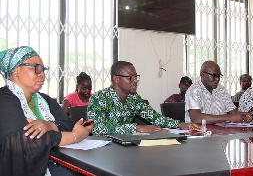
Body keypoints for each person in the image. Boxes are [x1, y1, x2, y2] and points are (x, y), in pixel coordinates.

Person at [0, 46, 94, 176]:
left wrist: (50, 125)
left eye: (43, 69)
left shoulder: (46, 100)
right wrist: (74, 136)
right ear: (16, 71)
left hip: (53, 164)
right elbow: (27, 141)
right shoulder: (4, 100)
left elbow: (69, 124)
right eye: (36, 68)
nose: (42, 74)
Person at [87, 61, 201, 135]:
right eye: (130, 78)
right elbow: (97, 127)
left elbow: (155, 117)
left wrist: (180, 124)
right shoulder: (99, 98)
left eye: (136, 77)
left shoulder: (133, 98)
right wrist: (137, 128)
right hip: (105, 151)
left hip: (126, 147)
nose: (135, 81)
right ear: (116, 79)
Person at [185, 60, 253, 125]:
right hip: (200, 133)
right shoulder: (194, 90)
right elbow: (196, 118)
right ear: (202, 74)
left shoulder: (221, 90)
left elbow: (234, 112)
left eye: (218, 76)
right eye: (213, 76)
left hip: (221, 132)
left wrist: (245, 116)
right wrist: (228, 117)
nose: (217, 79)